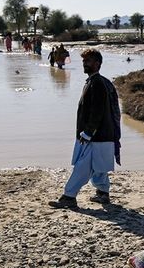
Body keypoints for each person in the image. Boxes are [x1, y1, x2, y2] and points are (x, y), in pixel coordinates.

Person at [49, 49, 121, 209]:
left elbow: (98, 111)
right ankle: (103, 193)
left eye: (88, 61)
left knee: (83, 167)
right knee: (98, 167)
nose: (84, 64)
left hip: (97, 136)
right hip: (101, 135)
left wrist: (88, 132)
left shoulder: (97, 84)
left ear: (97, 64)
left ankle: (69, 196)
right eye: (84, 61)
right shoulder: (94, 82)